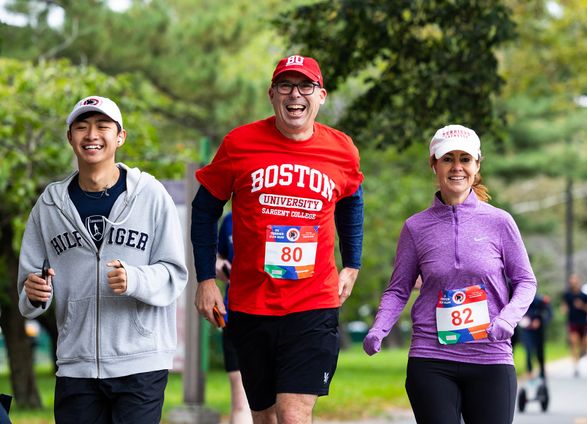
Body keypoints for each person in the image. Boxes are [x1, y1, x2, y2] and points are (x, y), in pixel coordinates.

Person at [191, 55, 364, 423]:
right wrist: (206, 279)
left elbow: (352, 201)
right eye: (285, 86)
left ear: (321, 96)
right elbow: (204, 210)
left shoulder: (342, 149)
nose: (295, 94)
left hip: (313, 302)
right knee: (265, 416)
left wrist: (353, 264)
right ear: (272, 94)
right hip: (251, 304)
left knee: (292, 413)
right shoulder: (239, 144)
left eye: (305, 86)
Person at [17, 96, 188, 423]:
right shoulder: (49, 206)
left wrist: (134, 279)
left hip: (140, 361)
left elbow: (174, 274)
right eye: (81, 127)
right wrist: (35, 293)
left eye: (102, 126)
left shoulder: (151, 196)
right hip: (76, 363)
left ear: (120, 136)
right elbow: (28, 292)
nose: (91, 134)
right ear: (70, 138)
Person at [362, 124, 537, 424]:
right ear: (434, 164)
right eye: (448, 159)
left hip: (490, 357)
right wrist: (379, 327)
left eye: (465, 159)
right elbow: (398, 289)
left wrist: (508, 318)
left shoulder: (500, 222)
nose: (457, 167)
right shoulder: (415, 228)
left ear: (477, 165)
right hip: (431, 358)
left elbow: (526, 281)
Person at [216, 212, 252, 424]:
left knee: (278, 403)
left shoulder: (280, 210)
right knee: (240, 401)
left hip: (278, 317)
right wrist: (218, 266)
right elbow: (219, 256)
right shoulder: (230, 220)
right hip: (236, 314)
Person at [561, 273, 587, 377]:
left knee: (585, 344)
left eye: (575, 280)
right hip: (573, 322)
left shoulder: (585, 296)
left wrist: (582, 305)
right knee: (574, 343)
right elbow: (564, 306)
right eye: (572, 280)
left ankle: (583, 353)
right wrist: (564, 309)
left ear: (579, 282)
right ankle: (576, 367)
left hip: (583, 322)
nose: (574, 282)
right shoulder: (567, 295)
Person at [518, 293, 552, 380]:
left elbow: (549, 313)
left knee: (540, 351)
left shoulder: (540, 299)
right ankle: (529, 372)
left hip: (539, 331)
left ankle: (542, 371)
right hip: (527, 331)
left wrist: (542, 322)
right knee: (528, 351)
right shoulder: (520, 299)